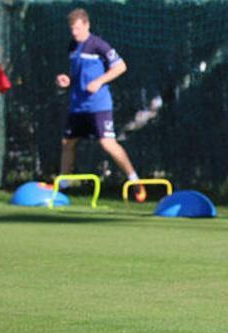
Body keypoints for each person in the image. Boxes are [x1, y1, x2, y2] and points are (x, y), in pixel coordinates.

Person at [56, 8, 145, 202]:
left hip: (98, 106)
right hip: (77, 106)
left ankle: (135, 182)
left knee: (107, 143)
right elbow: (78, 75)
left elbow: (121, 66)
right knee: (67, 143)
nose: (75, 33)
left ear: (87, 25)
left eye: (78, 29)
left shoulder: (98, 45)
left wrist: (99, 81)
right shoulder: (73, 46)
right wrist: (67, 81)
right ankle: (62, 187)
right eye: (72, 29)